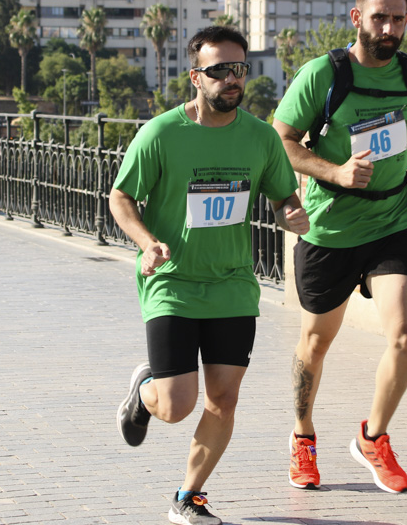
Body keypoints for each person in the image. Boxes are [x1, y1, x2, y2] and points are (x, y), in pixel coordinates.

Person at [111, 26, 310, 525]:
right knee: (177, 406)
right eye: (219, 70)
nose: (232, 79)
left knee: (223, 400)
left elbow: (284, 193)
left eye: (238, 69)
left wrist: (291, 210)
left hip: (233, 286)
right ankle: (144, 391)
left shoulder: (261, 137)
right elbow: (121, 197)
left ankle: (188, 496)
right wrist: (145, 242)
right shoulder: (161, 133)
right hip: (173, 282)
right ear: (196, 76)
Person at [271, 0, 407, 494]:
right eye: (379, 17)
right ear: (356, 18)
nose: (389, 28)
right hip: (331, 229)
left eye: (398, 18)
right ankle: (302, 436)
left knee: (406, 335)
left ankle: (374, 437)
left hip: (392, 222)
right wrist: (336, 172)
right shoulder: (323, 74)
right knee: (316, 343)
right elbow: (281, 142)